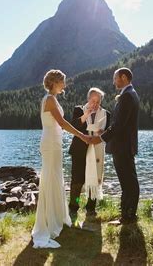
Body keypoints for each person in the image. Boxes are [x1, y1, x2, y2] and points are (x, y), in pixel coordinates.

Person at [32, 69, 91, 249]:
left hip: (54, 142)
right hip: (50, 143)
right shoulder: (49, 99)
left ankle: (56, 217)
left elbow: (63, 123)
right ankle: (48, 221)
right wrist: (81, 136)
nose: (64, 85)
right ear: (54, 82)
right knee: (51, 178)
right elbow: (63, 123)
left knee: (55, 178)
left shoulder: (53, 99)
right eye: (62, 82)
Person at [90, 67, 140, 225]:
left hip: (123, 146)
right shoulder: (130, 94)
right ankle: (128, 215)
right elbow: (121, 124)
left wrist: (100, 138)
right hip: (124, 145)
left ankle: (128, 217)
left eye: (115, 78)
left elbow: (118, 125)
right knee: (128, 181)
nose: (113, 82)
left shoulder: (127, 96)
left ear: (123, 77)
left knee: (128, 182)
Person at [68, 87, 111, 218]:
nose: (95, 104)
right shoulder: (79, 109)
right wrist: (86, 115)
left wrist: (102, 133)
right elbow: (74, 126)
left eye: (98, 101)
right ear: (88, 99)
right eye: (93, 100)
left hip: (97, 150)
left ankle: (91, 208)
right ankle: (74, 206)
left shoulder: (106, 114)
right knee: (77, 181)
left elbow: (109, 132)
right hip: (80, 150)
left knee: (95, 180)